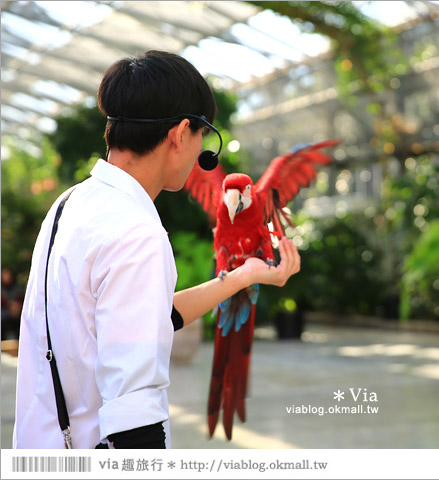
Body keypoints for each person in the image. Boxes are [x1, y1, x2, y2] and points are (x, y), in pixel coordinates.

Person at [13, 50, 300, 449]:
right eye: (204, 136)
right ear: (181, 133)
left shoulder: (68, 205)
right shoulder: (137, 232)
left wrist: (244, 276)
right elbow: (133, 410)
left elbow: (139, 320)